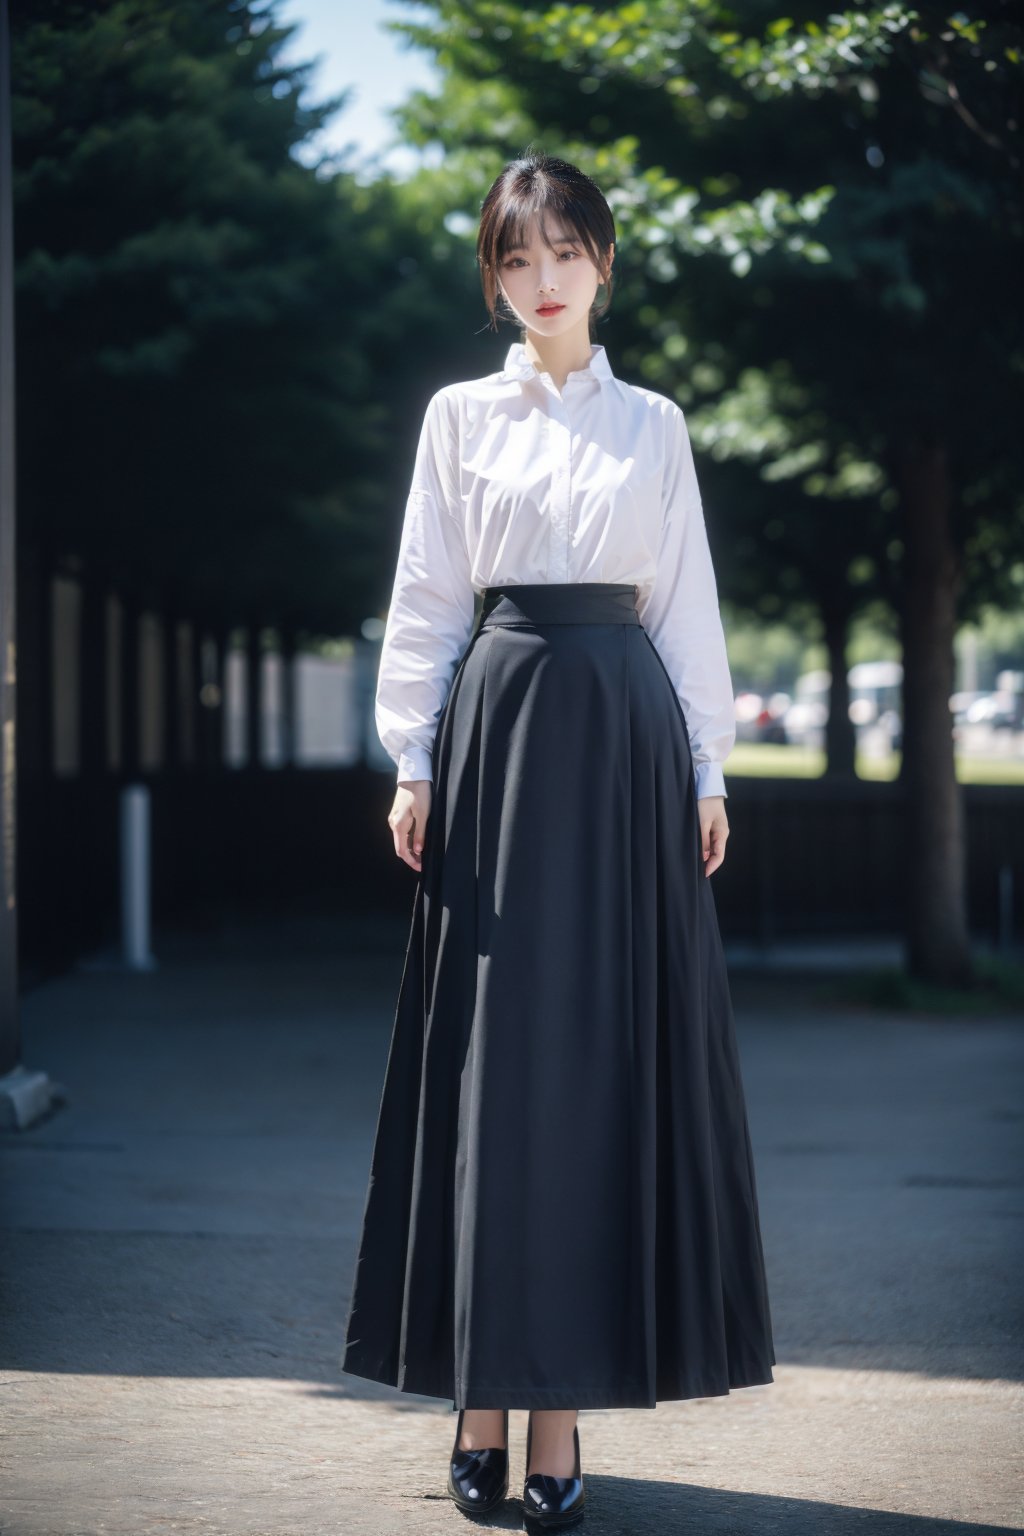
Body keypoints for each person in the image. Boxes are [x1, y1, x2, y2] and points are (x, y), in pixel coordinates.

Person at [341, 152, 775, 1529]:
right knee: (496, 1077)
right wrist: (410, 751)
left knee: (594, 1073)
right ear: (496, 277)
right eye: (516, 262)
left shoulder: (654, 423)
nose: (541, 284)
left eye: (563, 255)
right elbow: (425, 591)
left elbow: (685, 600)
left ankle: (562, 1416)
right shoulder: (458, 418)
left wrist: (707, 765)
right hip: (504, 736)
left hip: (627, 749)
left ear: (603, 260)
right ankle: (480, 1393)